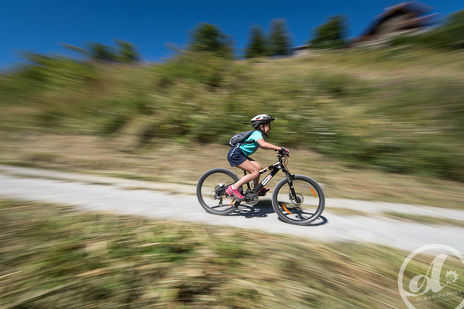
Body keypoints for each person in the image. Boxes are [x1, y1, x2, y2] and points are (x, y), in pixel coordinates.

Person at [225, 114, 289, 201]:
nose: (270, 128)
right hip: (236, 154)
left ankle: (256, 190)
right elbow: (263, 145)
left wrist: (278, 151)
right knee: (255, 173)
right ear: (261, 126)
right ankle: (233, 188)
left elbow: (264, 146)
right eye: (268, 126)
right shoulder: (256, 133)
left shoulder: (259, 135)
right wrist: (280, 148)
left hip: (240, 154)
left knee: (258, 167)